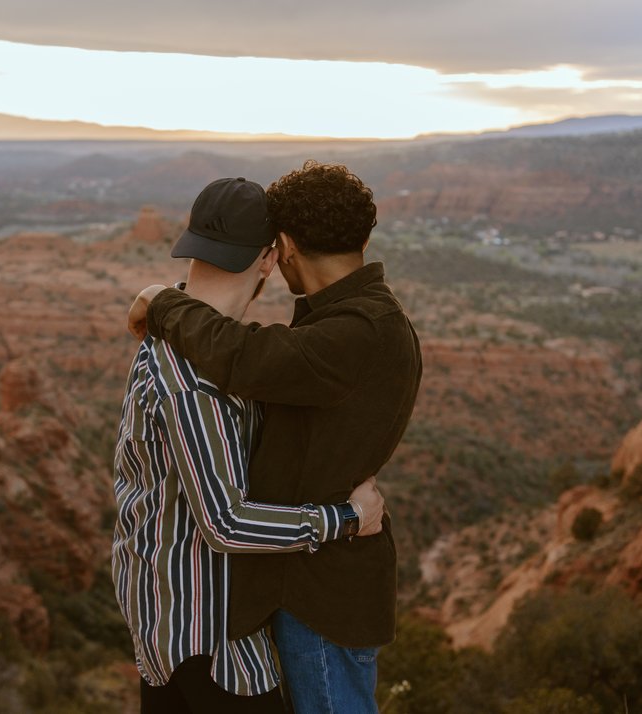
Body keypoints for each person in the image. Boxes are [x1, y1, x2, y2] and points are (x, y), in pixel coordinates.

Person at [129, 160, 422, 714]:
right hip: (306, 581)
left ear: (282, 246)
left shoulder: (357, 331)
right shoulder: (346, 320)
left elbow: (243, 355)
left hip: (323, 595)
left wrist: (165, 300)